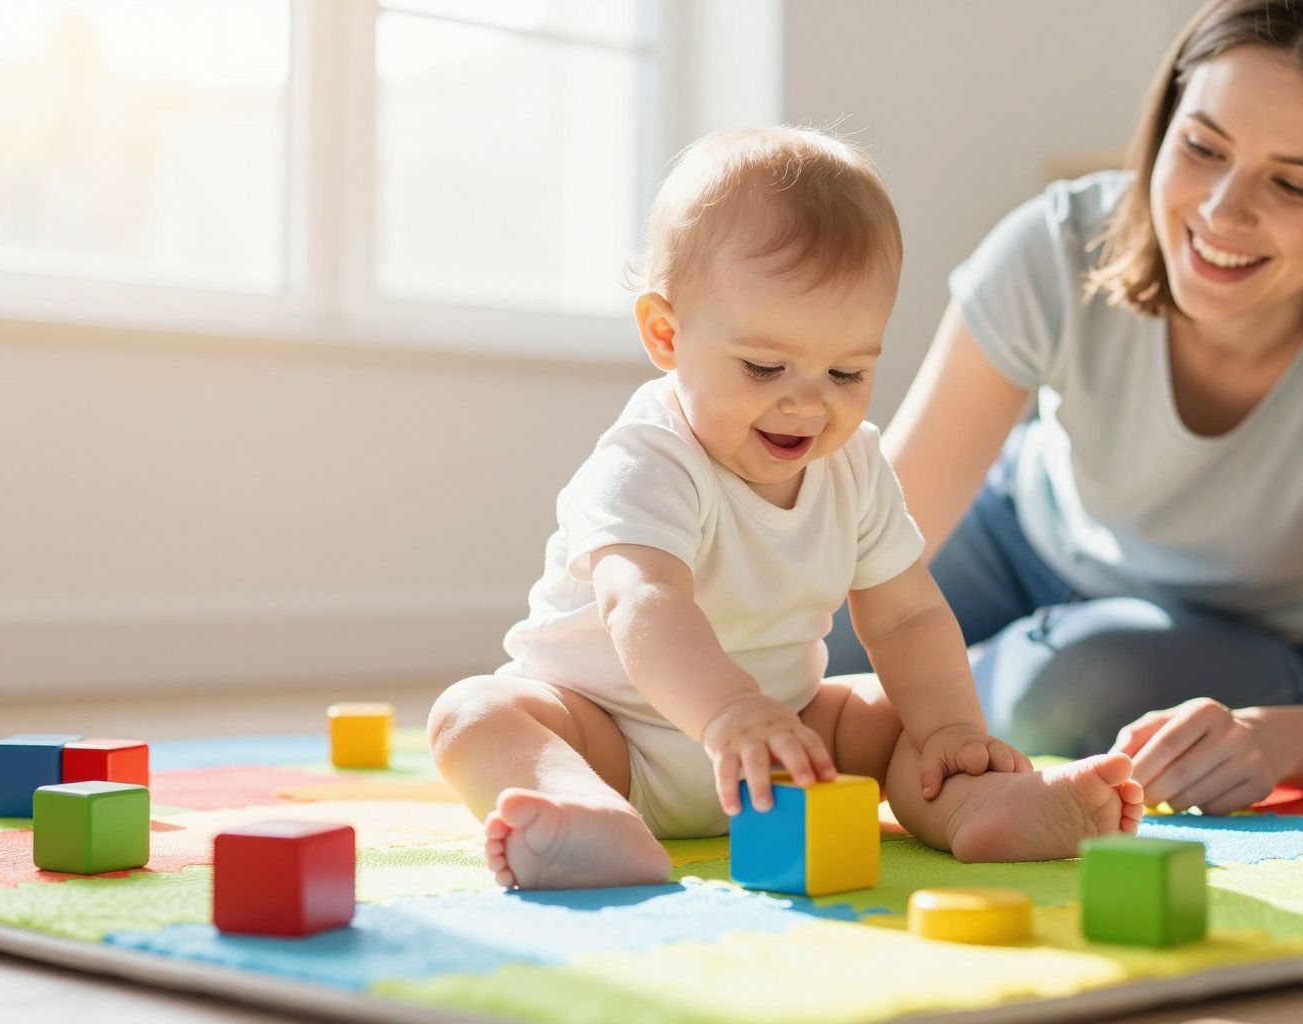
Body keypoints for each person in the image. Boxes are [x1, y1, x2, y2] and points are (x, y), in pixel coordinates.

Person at [828, 0, 1303, 816]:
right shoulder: (1057, 246)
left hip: (1236, 628)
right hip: (1020, 538)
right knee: (802, 635)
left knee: (1059, 699)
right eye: (1202, 147)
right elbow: (855, 546)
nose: (1221, 212)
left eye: (1293, 184)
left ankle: (874, 723)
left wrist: (1269, 741)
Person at [427, 127, 1145, 890]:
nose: (807, 403)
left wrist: (951, 730)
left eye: (846, 372)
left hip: (787, 744)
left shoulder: (854, 464)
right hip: (611, 736)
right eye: (765, 367)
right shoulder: (648, 457)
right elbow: (643, 599)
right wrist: (726, 710)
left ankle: (981, 807)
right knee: (473, 713)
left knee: (900, 712)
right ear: (666, 334)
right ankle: (583, 814)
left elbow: (906, 615)